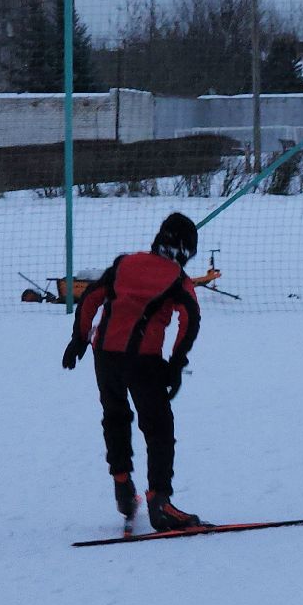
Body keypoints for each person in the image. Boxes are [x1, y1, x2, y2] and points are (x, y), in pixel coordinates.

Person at [62, 212, 204, 532]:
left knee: (115, 417)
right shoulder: (178, 280)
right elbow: (190, 319)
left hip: (104, 357)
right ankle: (160, 502)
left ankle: (123, 486)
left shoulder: (124, 264)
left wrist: (79, 339)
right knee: (158, 428)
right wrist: (176, 363)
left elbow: (90, 299)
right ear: (184, 251)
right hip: (144, 362)